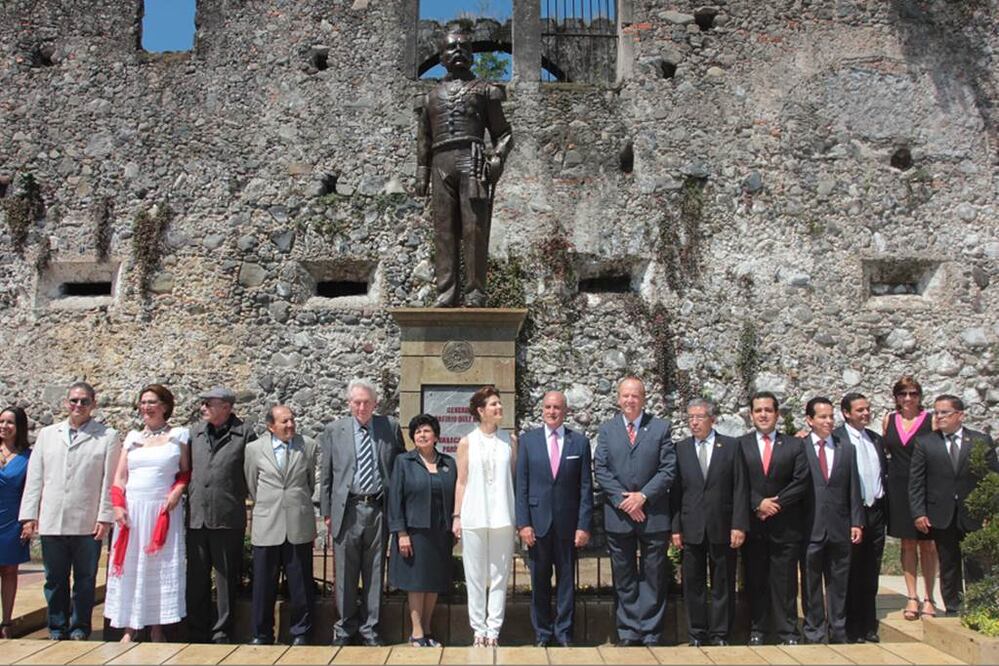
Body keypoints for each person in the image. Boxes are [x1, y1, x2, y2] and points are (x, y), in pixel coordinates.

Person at [415, 27, 513, 307]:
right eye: (451, 48)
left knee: (474, 230)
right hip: (440, 163)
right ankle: (446, 293)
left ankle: (475, 293)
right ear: (441, 57)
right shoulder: (430, 98)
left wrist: (497, 159)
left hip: (472, 160)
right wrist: (422, 170)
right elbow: (424, 137)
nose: (457, 52)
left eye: (463, 48)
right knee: (443, 231)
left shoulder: (485, 91)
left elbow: (504, 134)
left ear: (471, 55)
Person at [19, 382, 119, 641]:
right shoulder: (48, 434)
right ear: (66, 403)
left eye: (84, 401)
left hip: (87, 521)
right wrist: (29, 515)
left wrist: (105, 517)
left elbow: (110, 481)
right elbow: (35, 477)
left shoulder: (107, 436)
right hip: (53, 519)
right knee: (54, 579)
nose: (78, 405)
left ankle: (79, 627)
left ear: (93, 405)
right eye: (74, 400)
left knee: (85, 580)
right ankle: (57, 626)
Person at [320, 379, 404, 646]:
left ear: (375, 403)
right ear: (349, 403)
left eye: (367, 402)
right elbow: (326, 476)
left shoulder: (389, 427)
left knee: (375, 571)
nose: (361, 407)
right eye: (356, 402)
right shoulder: (335, 430)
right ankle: (344, 629)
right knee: (344, 573)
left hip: (379, 509)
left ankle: (371, 630)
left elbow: (399, 467)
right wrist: (326, 512)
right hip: (347, 509)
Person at [594, 376, 675, 647]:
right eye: (625, 395)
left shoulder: (660, 428)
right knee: (624, 576)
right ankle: (628, 631)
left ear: (644, 398)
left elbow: (667, 469)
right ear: (618, 398)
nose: (630, 400)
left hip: (653, 516)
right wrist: (624, 501)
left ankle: (650, 631)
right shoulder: (607, 430)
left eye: (635, 396)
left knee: (654, 576)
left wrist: (642, 497)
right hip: (619, 517)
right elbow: (601, 469)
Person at [105, 384, 190, 642]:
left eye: (151, 402)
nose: (146, 407)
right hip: (133, 509)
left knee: (158, 567)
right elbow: (120, 477)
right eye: (142, 402)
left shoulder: (179, 436)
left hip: (161, 510)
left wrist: (177, 491)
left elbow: (185, 472)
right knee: (131, 566)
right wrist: (118, 506)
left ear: (164, 406)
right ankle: (129, 627)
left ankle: (156, 628)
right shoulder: (132, 438)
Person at [515, 390, 593, 647]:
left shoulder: (579, 443)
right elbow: (522, 486)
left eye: (557, 407)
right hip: (537, 525)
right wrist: (523, 523)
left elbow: (585, 488)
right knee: (539, 582)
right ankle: (542, 633)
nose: (552, 411)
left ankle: (564, 632)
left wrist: (583, 525)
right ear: (542, 410)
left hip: (568, 526)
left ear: (566, 411)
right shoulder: (528, 441)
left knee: (567, 583)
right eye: (548, 407)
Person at [909, 395, 999, 615]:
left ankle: (980, 608)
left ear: (960, 415)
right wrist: (919, 512)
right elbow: (917, 481)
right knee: (948, 564)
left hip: (974, 515)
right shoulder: (926, 443)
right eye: (936, 412)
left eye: (944, 413)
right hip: (941, 514)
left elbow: (992, 478)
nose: (939, 417)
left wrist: (991, 512)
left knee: (976, 563)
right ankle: (953, 609)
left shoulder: (980, 441)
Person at [670, 398, 748, 647]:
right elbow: (676, 492)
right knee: (692, 584)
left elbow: (740, 489)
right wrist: (675, 528)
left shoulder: (731, 447)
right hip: (691, 527)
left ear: (712, 419)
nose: (694, 422)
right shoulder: (681, 449)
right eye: (690, 417)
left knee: (722, 583)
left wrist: (738, 525)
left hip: (722, 526)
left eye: (699, 416)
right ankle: (696, 633)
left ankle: (720, 633)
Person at [737, 390, 809, 646]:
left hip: (785, 524)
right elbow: (738, 482)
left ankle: (788, 631)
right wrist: (758, 503)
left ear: (777, 414)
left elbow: (801, 481)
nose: (763, 415)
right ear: (751, 415)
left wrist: (775, 504)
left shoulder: (794, 445)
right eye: (758, 410)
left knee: (786, 582)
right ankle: (757, 629)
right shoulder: (740, 445)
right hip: (754, 525)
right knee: (756, 580)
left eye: (768, 410)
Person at [244, 405, 318, 646]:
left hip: (298, 521)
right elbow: (252, 483)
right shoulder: (254, 450)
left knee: (300, 584)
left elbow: (308, 481)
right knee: (264, 583)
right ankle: (261, 633)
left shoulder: (307, 446)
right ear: (270, 426)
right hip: (268, 523)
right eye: (284, 421)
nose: (290, 425)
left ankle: (301, 632)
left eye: (292, 420)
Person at [186, 387, 254, 644]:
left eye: (208, 403)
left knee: (226, 578)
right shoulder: (196, 433)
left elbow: (251, 471)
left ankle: (222, 631)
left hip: (227, 516)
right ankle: (196, 630)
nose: (203, 407)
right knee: (196, 577)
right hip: (197, 516)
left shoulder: (244, 434)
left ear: (226, 407)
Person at [453, 385, 517, 646]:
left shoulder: (510, 441)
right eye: (493, 404)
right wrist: (457, 516)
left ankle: (494, 630)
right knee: (475, 575)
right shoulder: (467, 442)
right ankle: (478, 628)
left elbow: (512, 478)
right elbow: (461, 481)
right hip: (474, 515)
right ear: (481, 411)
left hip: (503, 515)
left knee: (500, 575)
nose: (499, 408)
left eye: (499, 403)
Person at [388, 414, 457, 647]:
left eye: (426, 431)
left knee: (433, 583)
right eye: (417, 432)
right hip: (414, 534)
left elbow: (457, 497)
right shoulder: (403, 462)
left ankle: (427, 629)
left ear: (436, 436)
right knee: (416, 583)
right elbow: (395, 499)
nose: (422, 435)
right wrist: (401, 533)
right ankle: (416, 633)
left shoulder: (449, 463)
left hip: (440, 533)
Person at [800, 397, 863, 645]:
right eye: (822, 417)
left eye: (830, 416)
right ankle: (814, 630)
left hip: (840, 527)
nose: (828, 421)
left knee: (839, 583)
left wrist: (856, 522)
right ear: (810, 420)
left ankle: (838, 629)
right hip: (811, 527)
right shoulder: (800, 447)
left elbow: (853, 489)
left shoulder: (846, 448)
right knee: (811, 583)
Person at [881, 376, 937, 620]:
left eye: (913, 393)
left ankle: (929, 597)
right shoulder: (888, 420)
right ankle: (911, 597)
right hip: (897, 486)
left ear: (919, 396)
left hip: (924, 487)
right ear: (896, 397)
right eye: (902, 393)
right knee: (906, 543)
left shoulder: (930, 420)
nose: (907, 398)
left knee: (927, 544)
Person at [836, 393, 888, 643]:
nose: (866, 414)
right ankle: (849, 626)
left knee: (871, 570)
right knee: (850, 571)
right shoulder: (837, 439)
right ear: (846, 413)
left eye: (868, 409)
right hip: (850, 514)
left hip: (875, 511)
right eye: (860, 410)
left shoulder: (875, 439)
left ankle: (868, 624)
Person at [0, 407, 30, 638]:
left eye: (10, 422)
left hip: (12, 518)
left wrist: (29, 521)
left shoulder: (27, 456)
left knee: (10, 571)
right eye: (1, 421)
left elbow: (32, 490)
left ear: (19, 427)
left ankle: (7, 623)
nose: (4, 426)